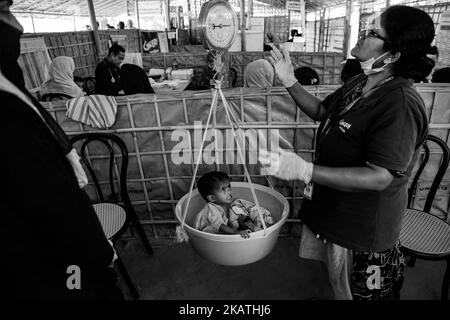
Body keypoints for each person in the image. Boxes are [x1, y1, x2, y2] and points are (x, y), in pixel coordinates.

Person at [261, 5, 435, 300]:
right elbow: (321, 111)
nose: (362, 35)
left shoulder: (400, 104)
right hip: (336, 214)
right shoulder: (361, 82)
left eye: (372, 33)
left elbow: (380, 176)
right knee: (339, 284)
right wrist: (289, 79)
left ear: (393, 55)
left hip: (364, 229)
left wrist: (306, 170)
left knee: (363, 292)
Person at [0, 0, 123, 299]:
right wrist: (97, 252)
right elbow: (50, 202)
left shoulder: (22, 93)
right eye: (4, 9)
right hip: (56, 260)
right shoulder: (7, 114)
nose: (18, 25)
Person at [194, 171, 272, 238]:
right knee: (236, 229)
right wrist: (236, 232)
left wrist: (240, 223)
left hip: (221, 230)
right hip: (208, 235)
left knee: (237, 212)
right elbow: (219, 225)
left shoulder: (225, 204)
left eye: (229, 187)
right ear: (212, 198)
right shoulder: (210, 208)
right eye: (223, 190)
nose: (229, 191)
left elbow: (230, 218)